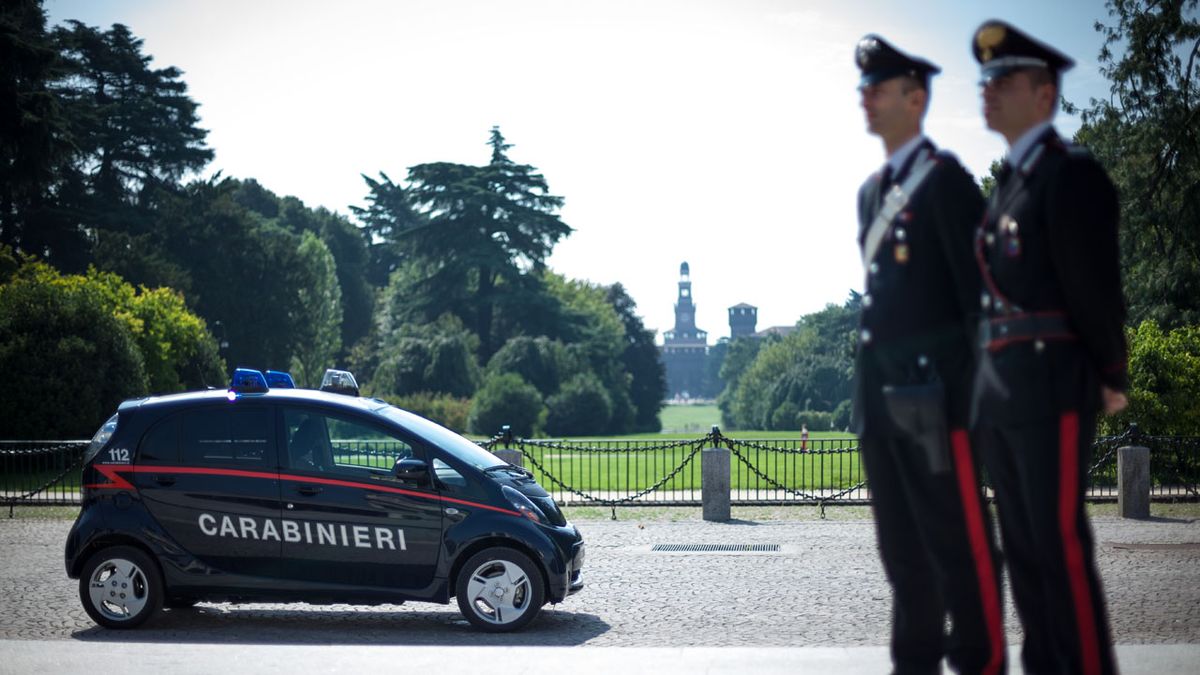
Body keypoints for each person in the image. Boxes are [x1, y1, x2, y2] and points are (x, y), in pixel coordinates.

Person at [970, 20, 1128, 675]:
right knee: (1027, 555)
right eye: (985, 80)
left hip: (1051, 381)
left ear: (1044, 94)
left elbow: (1093, 283)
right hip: (1004, 392)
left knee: (1059, 546)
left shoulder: (1071, 176)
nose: (989, 91)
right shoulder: (1008, 185)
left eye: (1003, 80)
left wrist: (1109, 370)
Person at [851, 34, 1006, 675]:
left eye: (879, 88)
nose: (866, 99)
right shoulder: (870, 192)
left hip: (937, 401)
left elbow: (981, 305)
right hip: (882, 404)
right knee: (902, 554)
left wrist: (971, 400)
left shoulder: (947, 186)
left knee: (961, 546)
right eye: (864, 89)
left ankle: (979, 662)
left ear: (916, 99)